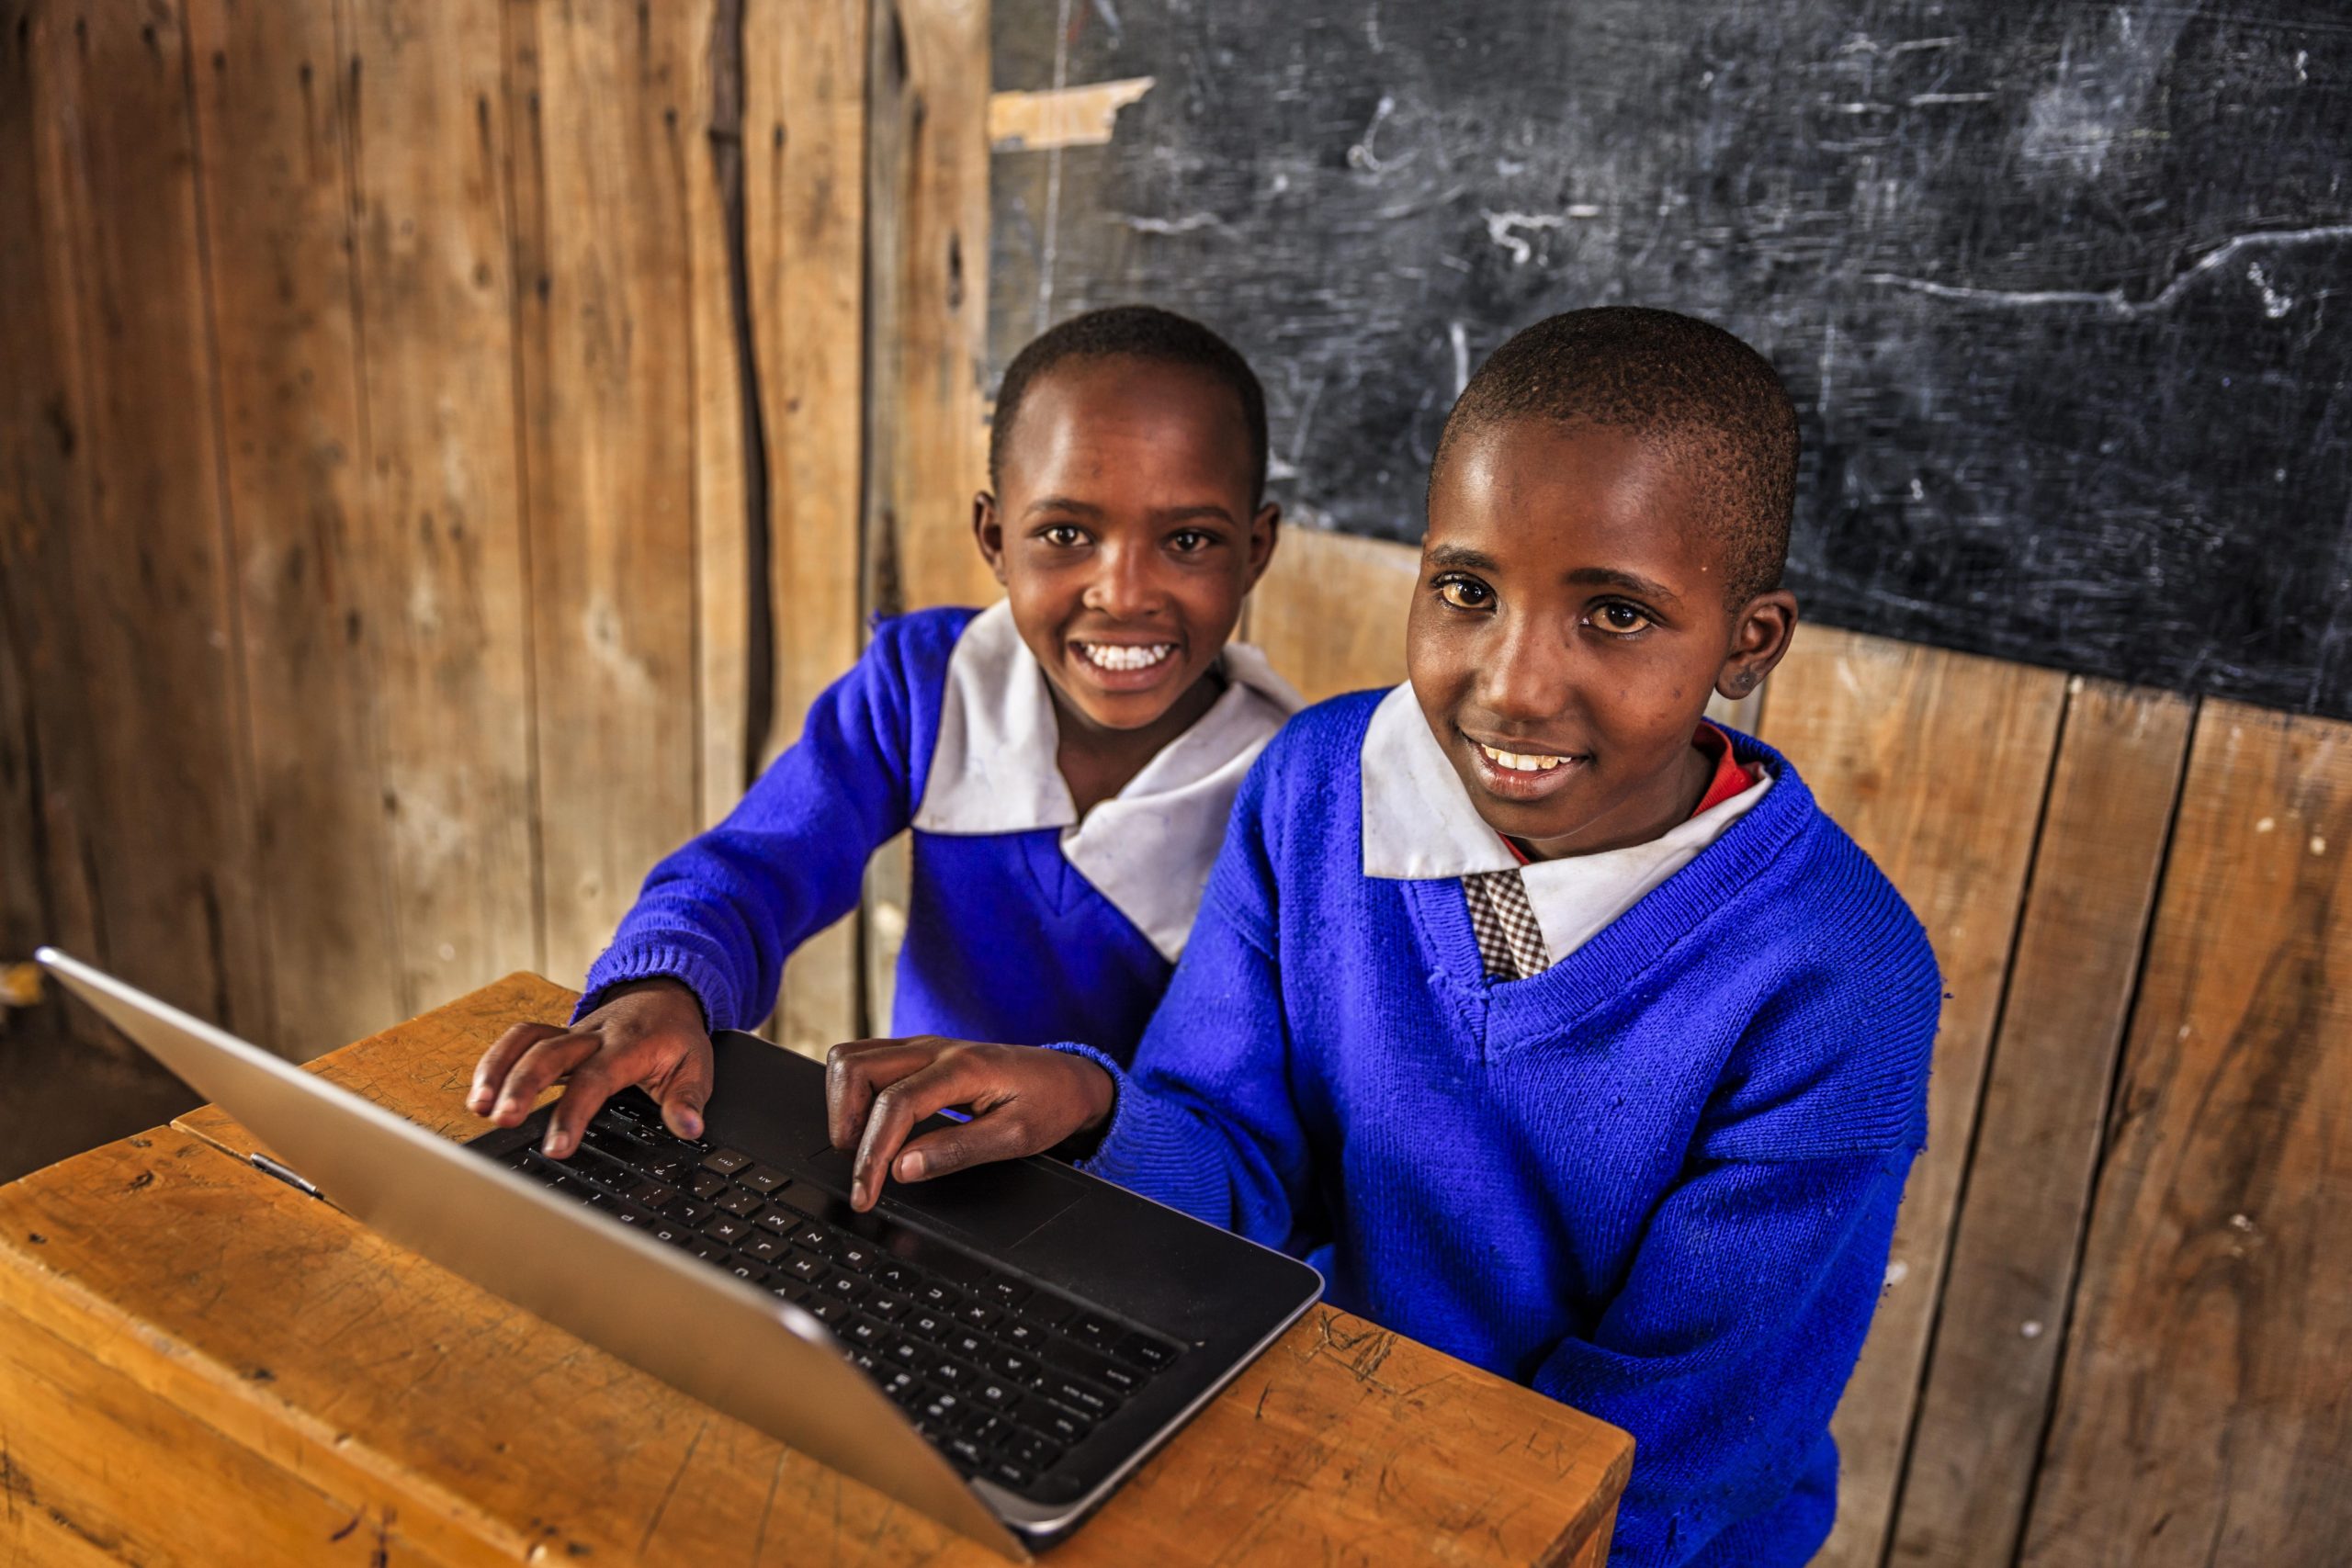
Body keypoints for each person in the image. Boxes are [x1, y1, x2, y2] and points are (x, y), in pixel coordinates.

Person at [826, 308, 1941, 1566]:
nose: (1513, 680)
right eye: (1467, 590)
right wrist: (1092, 1102)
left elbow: (1672, 1452)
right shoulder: (1317, 786)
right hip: (1309, 1446)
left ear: (1749, 644)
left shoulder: (1839, 974)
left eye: (1616, 614)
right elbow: (1238, 1163)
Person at [470, 305, 1297, 1162]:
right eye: (1065, 534)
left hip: (1137, 1214)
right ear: (994, 539)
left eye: (1189, 539)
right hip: (910, 1169)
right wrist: (664, 980)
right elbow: (756, 865)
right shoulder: (931, 685)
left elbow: (1243, 1123)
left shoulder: (1292, 793)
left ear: (1256, 550)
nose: (1123, 592)